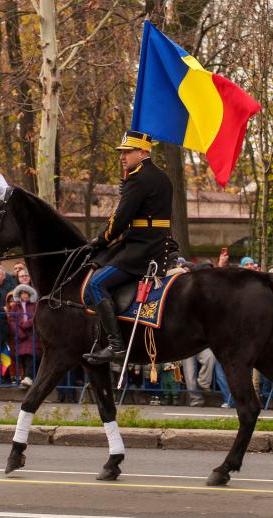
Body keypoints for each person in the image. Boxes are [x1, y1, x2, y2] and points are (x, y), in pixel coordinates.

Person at [83, 130, 175, 365]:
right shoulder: (161, 177)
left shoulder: (139, 178)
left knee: (95, 284)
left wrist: (101, 239)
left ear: (143, 152)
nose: (122, 157)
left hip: (141, 249)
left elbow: (121, 218)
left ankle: (115, 346)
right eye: (121, 152)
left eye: (127, 152)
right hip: (156, 243)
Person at [8, 284, 40, 387]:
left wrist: (26, 324)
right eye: (22, 293)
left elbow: (36, 317)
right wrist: (20, 332)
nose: (24, 295)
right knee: (22, 357)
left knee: (31, 355)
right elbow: (11, 321)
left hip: (32, 335)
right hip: (20, 336)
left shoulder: (35, 305)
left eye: (26, 293)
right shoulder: (15, 307)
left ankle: (29, 377)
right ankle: (26, 377)